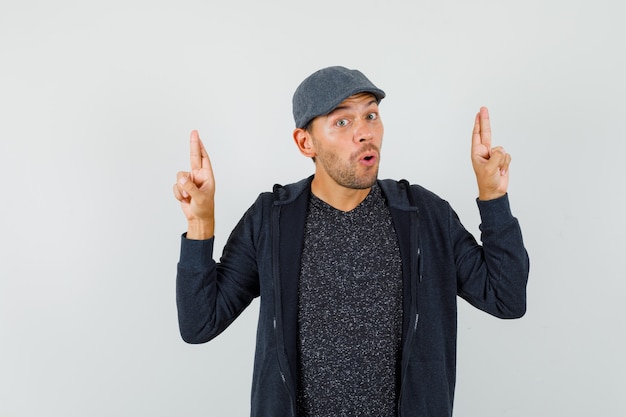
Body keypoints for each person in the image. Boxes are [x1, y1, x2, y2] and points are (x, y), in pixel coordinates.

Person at [173, 66, 529, 417]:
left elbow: (506, 297)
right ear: (305, 142)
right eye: (342, 122)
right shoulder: (271, 219)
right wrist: (201, 224)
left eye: (371, 115)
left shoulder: (425, 214)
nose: (364, 133)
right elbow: (200, 324)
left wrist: (493, 199)